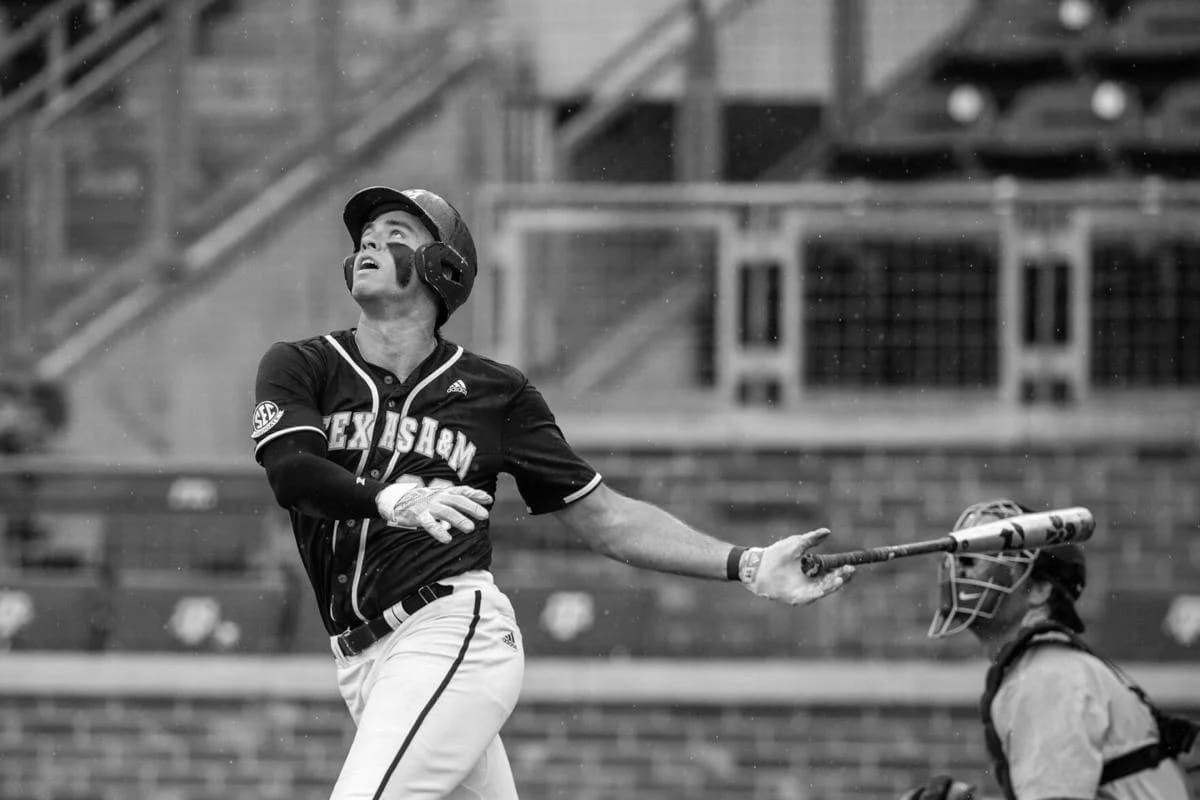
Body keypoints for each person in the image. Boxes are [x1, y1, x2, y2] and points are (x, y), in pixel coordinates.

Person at [250, 185, 855, 799]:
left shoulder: (495, 392)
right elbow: (292, 474)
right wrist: (391, 498)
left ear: (443, 270)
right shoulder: (304, 364)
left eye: (398, 232)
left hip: (447, 632)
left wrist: (747, 564)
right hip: (360, 662)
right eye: (367, 236)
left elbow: (605, 519)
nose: (373, 241)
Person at [902, 499, 1195, 800]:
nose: (963, 568)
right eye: (963, 559)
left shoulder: (1047, 678)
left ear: (1040, 590)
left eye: (984, 559)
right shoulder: (1048, 668)